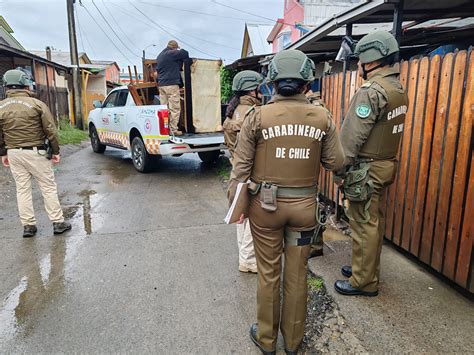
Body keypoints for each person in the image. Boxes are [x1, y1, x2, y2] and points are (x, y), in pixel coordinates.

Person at [228, 50, 344, 354]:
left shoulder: (257, 116)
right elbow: (336, 161)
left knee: (269, 274)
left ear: (271, 84)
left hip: (265, 209)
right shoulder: (322, 116)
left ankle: (266, 340)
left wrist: (236, 207)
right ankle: (293, 342)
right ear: (307, 83)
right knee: (297, 274)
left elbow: (239, 171)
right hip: (305, 208)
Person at [334, 30, 408, 297]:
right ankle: (364, 269)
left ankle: (363, 282)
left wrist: (339, 170)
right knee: (373, 222)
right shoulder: (397, 89)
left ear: (372, 59)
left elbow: (351, 137)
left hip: (366, 169)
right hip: (385, 165)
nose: (358, 65)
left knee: (363, 223)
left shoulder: (371, 91)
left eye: (360, 60)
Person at [0, 69, 72, 238]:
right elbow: (50, 130)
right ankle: (58, 222)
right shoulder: (37, 104)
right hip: (36, 152)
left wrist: (3, 152)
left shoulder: (1, 107)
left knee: (22, 189)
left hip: (14, 153)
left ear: (6, 86)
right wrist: (55, 151)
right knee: (47, 187)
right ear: (25, 84)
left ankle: (28, 226)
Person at [223, 70, 263, 274]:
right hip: (250, 169)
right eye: (259, 88)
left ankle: (244, 256)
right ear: (252, 89)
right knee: (251, 216)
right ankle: (248, 260)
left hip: (237, 167)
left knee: (241, 214)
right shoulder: (252, 112)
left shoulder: (233, 109)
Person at [156, 40, 189, 136]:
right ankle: (173, 130)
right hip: (171, 85)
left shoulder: (160, 56)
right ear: (174, 48)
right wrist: (180, 48)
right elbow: (185, 53)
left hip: (162, 85)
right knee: (174, 108)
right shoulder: (171, 53)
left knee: (164, 109)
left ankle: (165, 129)